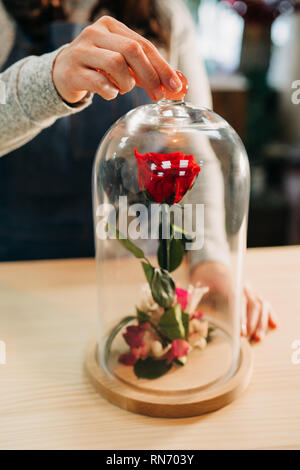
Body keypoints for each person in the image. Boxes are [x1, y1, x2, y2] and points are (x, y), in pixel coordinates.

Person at [0, 0, 277, 340]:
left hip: (136, 276)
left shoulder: (166, 12)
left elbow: (192, 147)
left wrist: (211, 262)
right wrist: (49, 81)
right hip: (16, 278)